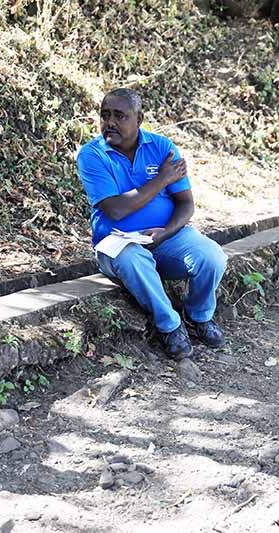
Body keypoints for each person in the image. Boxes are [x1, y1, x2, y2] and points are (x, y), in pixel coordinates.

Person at [77, 88, 227, 359]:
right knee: (134, 259)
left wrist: (166, 232)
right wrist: (161, 180)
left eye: (119, 116)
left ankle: (200, 316)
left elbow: (185, 204)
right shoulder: (92, 155)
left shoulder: (162, 148)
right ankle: (171, 327)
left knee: (212, 255)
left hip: (164, 238)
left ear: (139, 119)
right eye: (105, 115)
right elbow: (117, 209)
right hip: (116, 244)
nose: (109, 122)